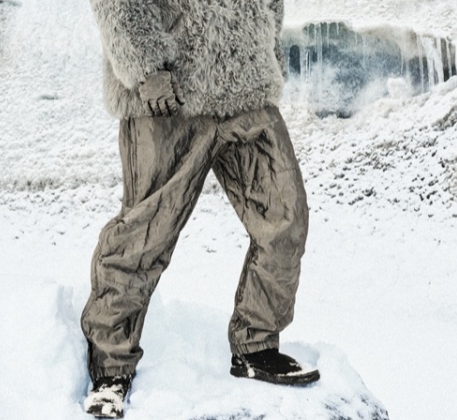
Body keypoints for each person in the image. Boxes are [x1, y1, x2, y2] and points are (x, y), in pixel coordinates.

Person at [81, 0, 319, 417]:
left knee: (285, 218)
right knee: (144, 236)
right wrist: (145, 69)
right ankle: (110, 369)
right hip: (169, 95)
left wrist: (266, 52)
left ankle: (256, 345)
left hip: (247, 87)